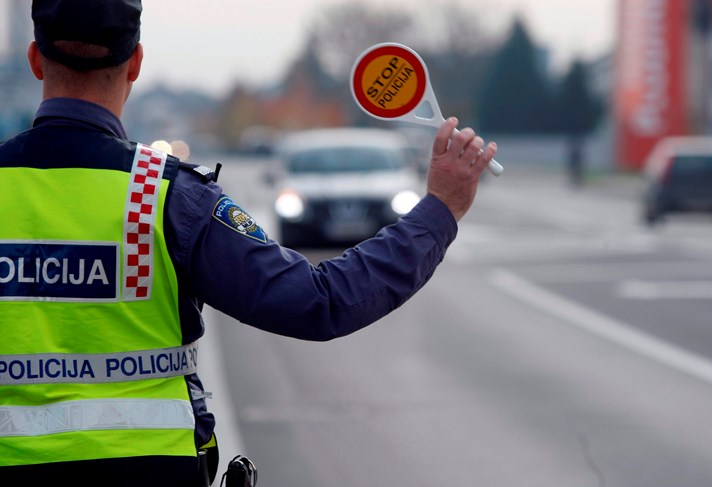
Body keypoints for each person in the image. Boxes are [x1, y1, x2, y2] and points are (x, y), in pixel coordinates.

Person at [0, 0, 498, 485]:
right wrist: (439, 209)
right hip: (149, 469)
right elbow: (322, 302)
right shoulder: (164, 196)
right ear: (135, 64)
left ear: (35, 58)